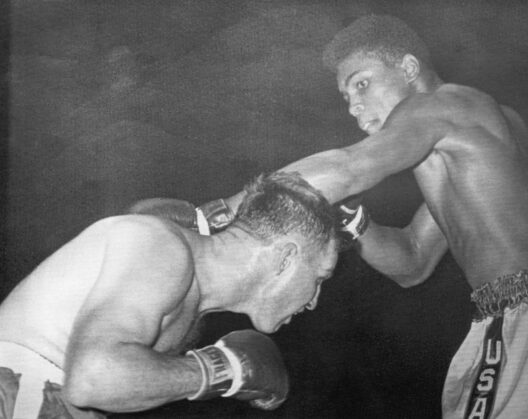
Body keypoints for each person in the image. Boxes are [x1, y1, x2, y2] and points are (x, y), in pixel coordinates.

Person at [224, 14, 528, 418]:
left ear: (409, 69)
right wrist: (351, 219)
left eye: (361, 83)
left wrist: (227, 211)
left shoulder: (440, 105)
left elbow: (350, 168)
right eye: (346, 98)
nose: (354, 106)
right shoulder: (482, 133)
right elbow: (412, 261)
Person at [0, 171, 339, 418]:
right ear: (286, 258)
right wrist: (225, 369)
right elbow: (93, 378)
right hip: (20, 388)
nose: (314, 300)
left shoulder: (190, 300)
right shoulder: (162, 246)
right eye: (320, 278)